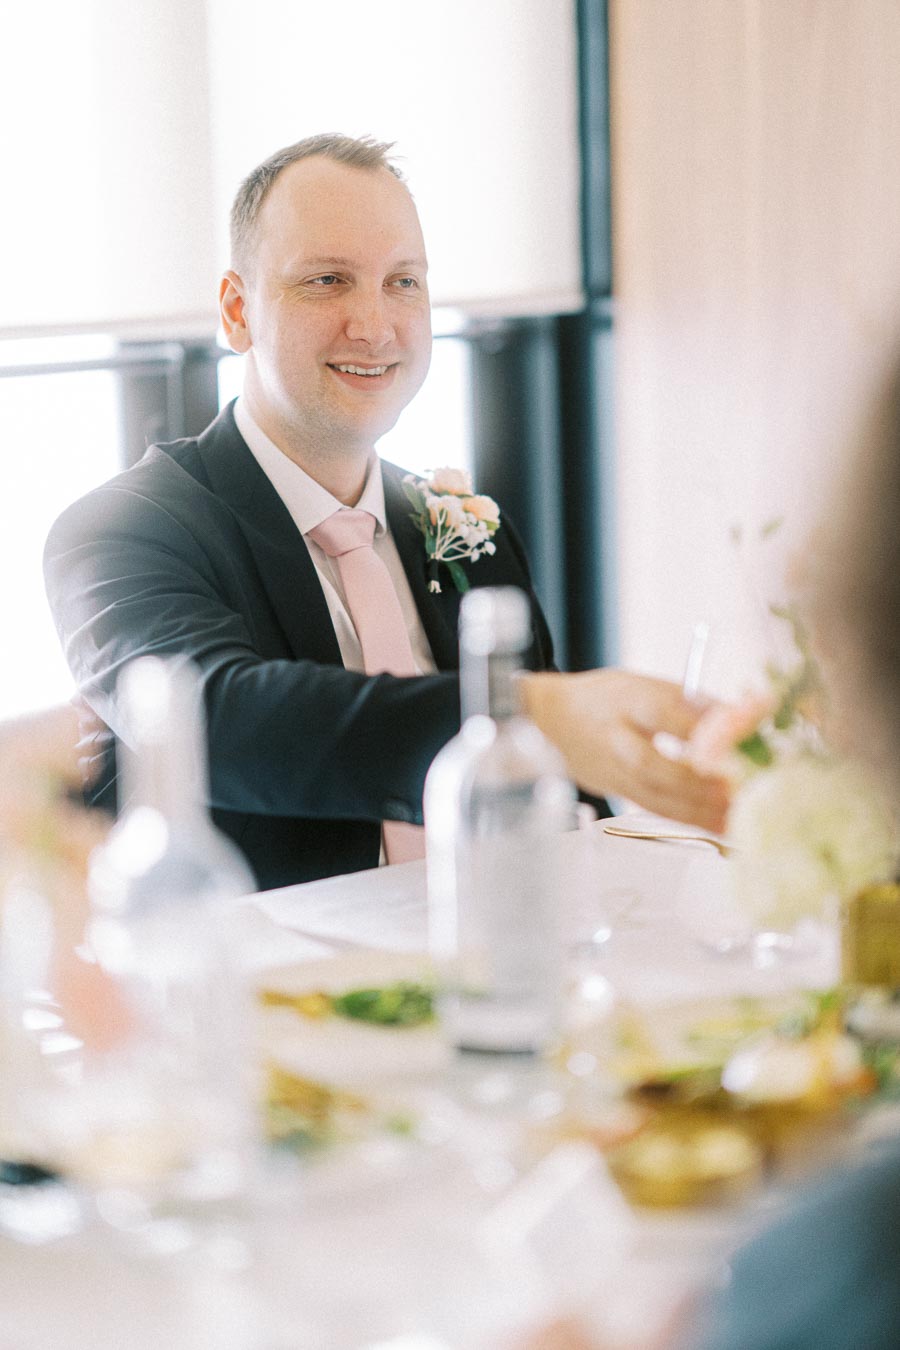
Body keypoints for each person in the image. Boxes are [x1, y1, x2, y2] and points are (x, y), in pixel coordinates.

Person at [43, 133, 727, 891]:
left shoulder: (467, 530)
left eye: (404, 282)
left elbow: (560, 800)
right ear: (238, 312)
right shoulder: (123, 529)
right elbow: (211, 724)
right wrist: (539, 714)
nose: (374, 325)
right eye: (328, 280)